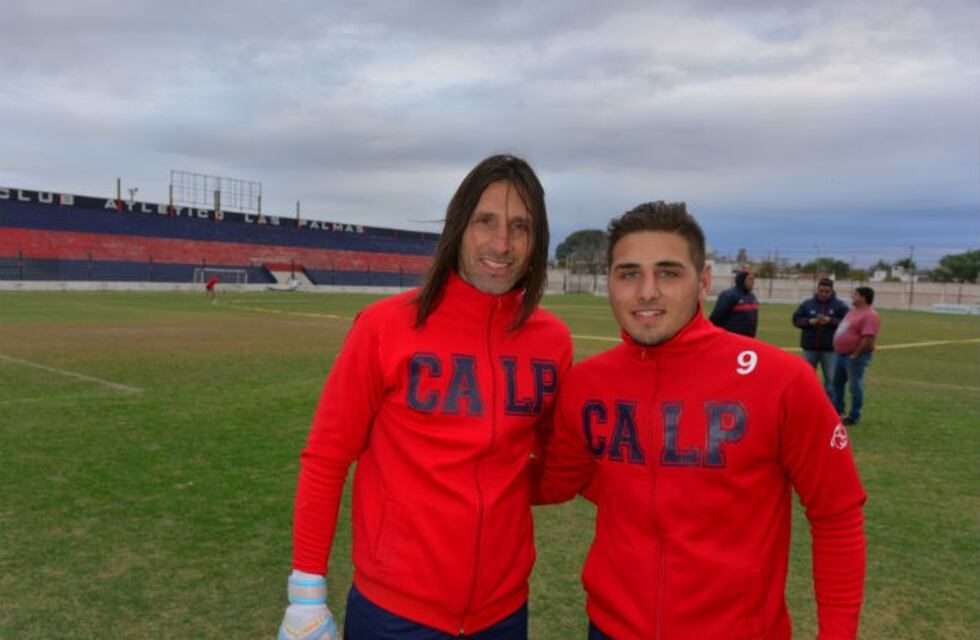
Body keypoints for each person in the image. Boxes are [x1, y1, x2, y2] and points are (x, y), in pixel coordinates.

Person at [532, 202, 866, 640]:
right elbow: (559, 480)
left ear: (703, 282)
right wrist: (469, 460)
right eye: (629, 273)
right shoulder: (587, 383)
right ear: (610, 282)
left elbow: (836, 515)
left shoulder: (781, 380)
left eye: (668, 272)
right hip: (611, 629)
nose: (646, 291)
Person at [278, 154, 573, 640]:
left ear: (536, 239)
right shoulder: (383, 327)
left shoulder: (552, 341)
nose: (502, 243)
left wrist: (499, 492)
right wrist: (305, 590)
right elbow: (327, 458)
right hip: (394, 613)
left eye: (520, 226)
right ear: (459, 226)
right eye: (486, 221)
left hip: (503, 614)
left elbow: (557, 462)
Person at [792, 278, 849, 396]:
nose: (823, 294)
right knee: (806, 379)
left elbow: (847, 323)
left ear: (832, 291)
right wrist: (809, 322)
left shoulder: (839, 306)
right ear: (817, 290)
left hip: (830, 350)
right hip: (809, 349)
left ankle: (830, 407)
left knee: (831, 381)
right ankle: (806, 403)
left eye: (826, 292)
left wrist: (830, 321)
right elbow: (796, 320)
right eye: (821, 291)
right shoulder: (807, 304)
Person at [832, 287, 880, 427]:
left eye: (855, 294)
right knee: (837, 384)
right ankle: (837, 411)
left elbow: (868, 337)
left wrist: (856, 354)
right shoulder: (852, 312)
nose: (852, 296)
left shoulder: (870, 315)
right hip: (840, 355)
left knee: (854, 386)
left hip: (855, 356)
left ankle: (854, 415)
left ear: (863, 297)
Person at [709, 268, 758, 336]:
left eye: (753, 279)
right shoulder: (728, 295)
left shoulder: (752, 297)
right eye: (750, 279)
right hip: (731, 340)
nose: (752, 282)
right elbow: (715, 318)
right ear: (742, 280)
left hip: (748, 341)